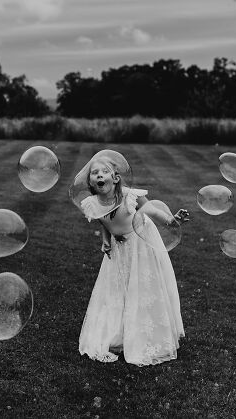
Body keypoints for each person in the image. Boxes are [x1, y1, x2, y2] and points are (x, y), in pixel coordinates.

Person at [75, 151, 189, 366]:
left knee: (143, 288)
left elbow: (153, 211)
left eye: (104, 172)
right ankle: (121, 330)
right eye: (94, 173)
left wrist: (173, 219)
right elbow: (105, 222)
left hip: (141, 243)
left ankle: (147, 332)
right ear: (89, 181)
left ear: (115, 178)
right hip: (119, 249)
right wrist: (106, 239)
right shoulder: (92, 203)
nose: (99, 175)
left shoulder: (130, 195)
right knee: (119, 289)